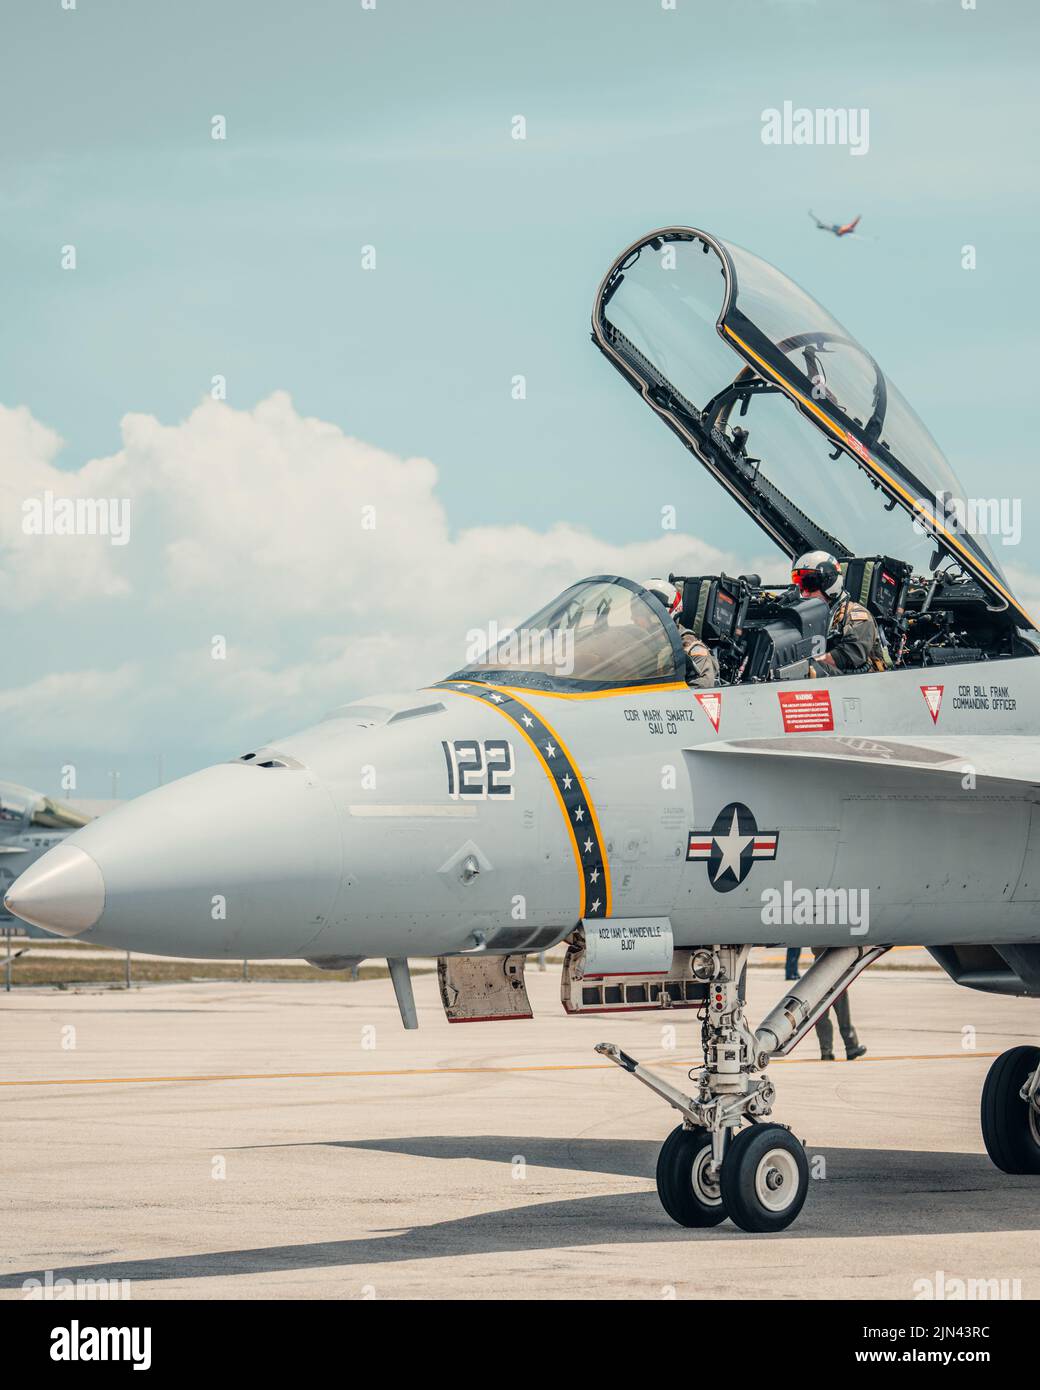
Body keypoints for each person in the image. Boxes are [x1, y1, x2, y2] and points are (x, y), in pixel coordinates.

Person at [789, 551, 885, 677]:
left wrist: (799, 664)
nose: (805, 593)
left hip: (862, 685)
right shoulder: (809, 618)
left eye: (810, 584)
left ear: (830, 582)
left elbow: (847, 657)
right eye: (801, 585)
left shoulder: (857, 616)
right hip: (830, 686)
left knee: (808, 668)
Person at [643, 578, 719, 689]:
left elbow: (700, 691)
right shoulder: (643, 649)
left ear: (658, 614)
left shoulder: (691, 650)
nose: (633, 618)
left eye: (640, 613)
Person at [811, 946, 867, 1060]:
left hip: (825, 971)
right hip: (830, 971)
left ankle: (829, 1050)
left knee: (827, 1015)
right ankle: (847, 1047)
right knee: (837, 1014)